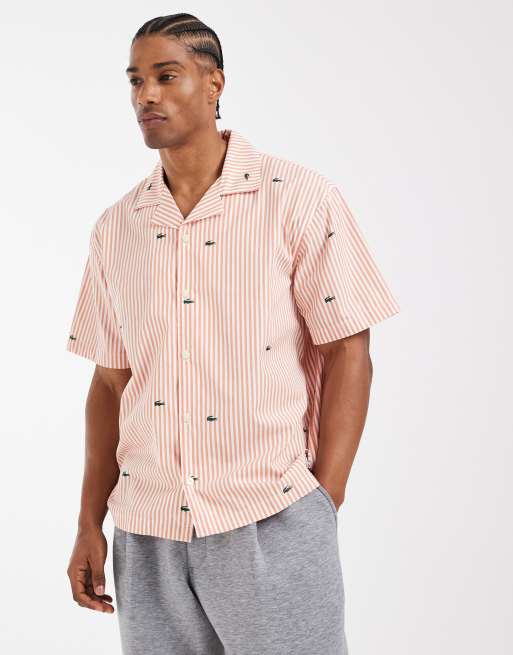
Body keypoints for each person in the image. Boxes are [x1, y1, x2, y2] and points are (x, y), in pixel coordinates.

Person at [65, 12, 400, 655]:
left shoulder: (297, 198)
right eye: (135, 80)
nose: (146, 95)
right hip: (147, 534)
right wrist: (89, 520)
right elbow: (110, 382)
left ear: (214, 83)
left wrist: (323, 500)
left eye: (167, 76)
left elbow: (348, 348)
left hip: (269, 518)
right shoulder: (117, 227)